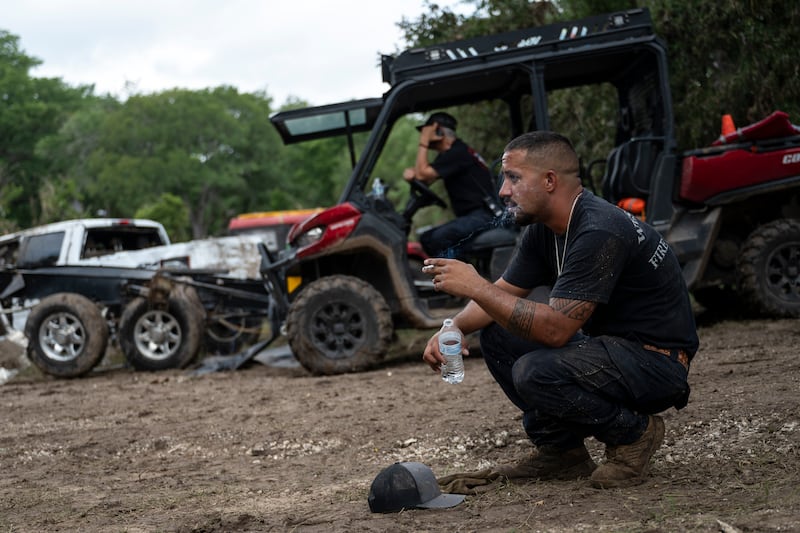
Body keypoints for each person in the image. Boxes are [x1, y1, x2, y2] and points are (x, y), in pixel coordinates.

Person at [421, 131, 698, 489]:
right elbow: (500, 295)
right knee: (497, 332)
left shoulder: (598, 229)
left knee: (534, 371)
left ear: (550, 180)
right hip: (611, 349)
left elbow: (555, 331)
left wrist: (475, 284)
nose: (503, 190)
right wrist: (454, 326)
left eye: (513, 178)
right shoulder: (544, 230)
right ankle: (561, 451)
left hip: (657, 362)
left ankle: (634, 435)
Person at [403, 112, 498, 258]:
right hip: (475, 215)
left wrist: (423, 142)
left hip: (485, 215)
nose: (425, 136)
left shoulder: (458, 152)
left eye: (427, 132)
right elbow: (424, 179)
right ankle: (461, 271)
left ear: (439, 131)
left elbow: (422, 174)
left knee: (439, 239)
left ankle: (459, 277)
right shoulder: (450, 155)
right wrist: (413, 174)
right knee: (426, 238)